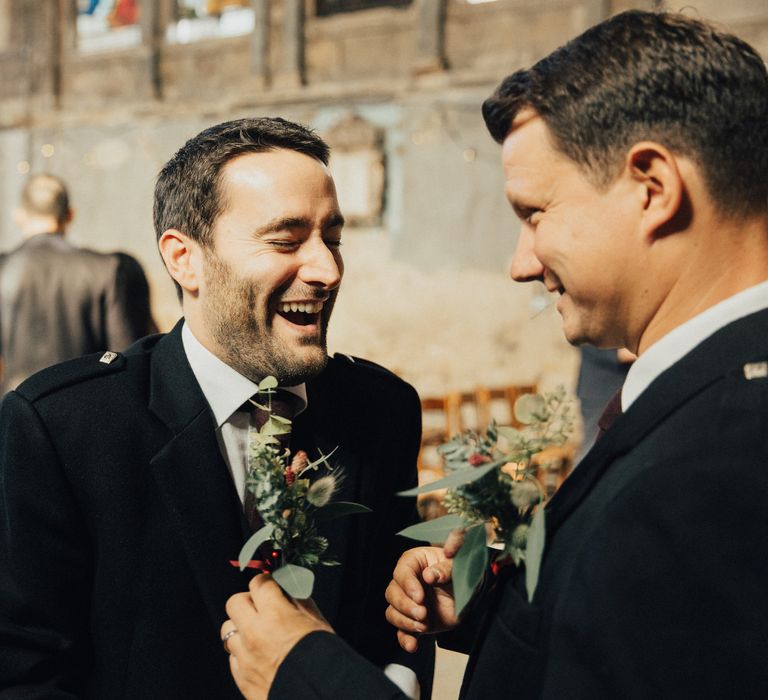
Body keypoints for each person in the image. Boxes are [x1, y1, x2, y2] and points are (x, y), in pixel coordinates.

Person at [217, 10, 768, 699]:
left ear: (652, 188)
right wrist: (499, 609)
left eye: (534, 213)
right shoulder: (717, 393)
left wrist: (304, 671)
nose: (520, 263)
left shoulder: (718, 462)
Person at [0, 118, 432, 697]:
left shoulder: (384, 409)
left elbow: (398, 625)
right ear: (185, 259)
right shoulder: (61, 429)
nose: (327, 270)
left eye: (332, 237)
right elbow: (29, 676)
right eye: (285, 240)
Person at [0, 173, 155, 394]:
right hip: (83, 410)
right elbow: (126, 357)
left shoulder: (3, 268)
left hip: (15, 414)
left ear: (18, 215)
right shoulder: (107, 268)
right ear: (70, 215)